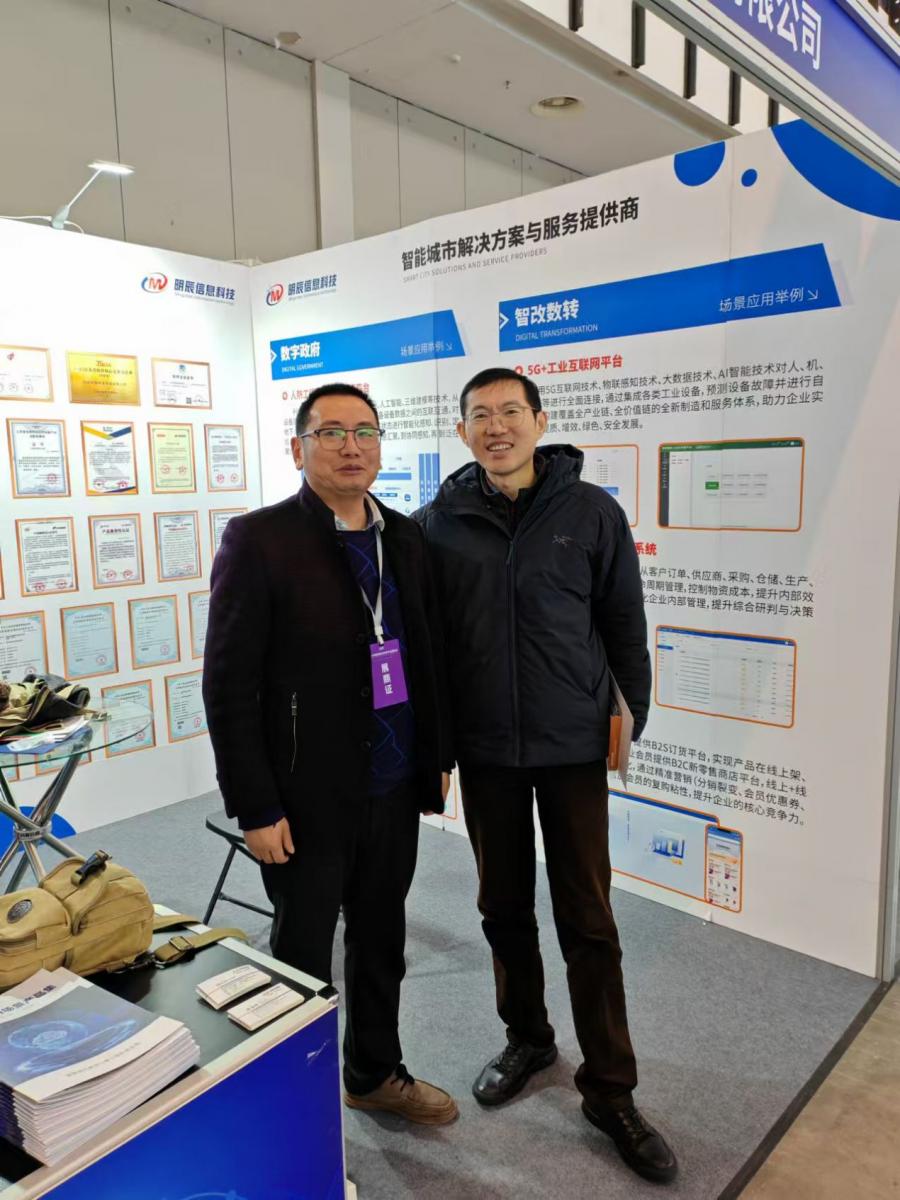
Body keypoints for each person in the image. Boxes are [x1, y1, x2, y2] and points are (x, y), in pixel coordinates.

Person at [415, 367, 677, 1181]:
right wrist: (437, 748)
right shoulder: (435, 526)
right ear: (461, 432)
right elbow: (429, 649)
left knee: (588, 919)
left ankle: (611, 1088)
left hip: (572, 747)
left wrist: (626, 716)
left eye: (510, 412)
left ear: (539, 420)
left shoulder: (591, 512)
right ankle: (527, 1037)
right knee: (501, 906)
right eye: (480, 415)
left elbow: (623, 622)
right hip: (487, 749)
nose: (496, 427)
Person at [203, 382, 457, 1126]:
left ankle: (373, 1073)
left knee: (382, 941)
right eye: (332, 432)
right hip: (304, 795)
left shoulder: (405, 536)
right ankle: (295, 1101)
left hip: (393, 782)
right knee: (302, 951)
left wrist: (436, 759)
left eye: (365, 432)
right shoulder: (260, 539)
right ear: (298, 448)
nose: (351, 447)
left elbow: (427, 655)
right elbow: (229, 685)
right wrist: (255, 805)